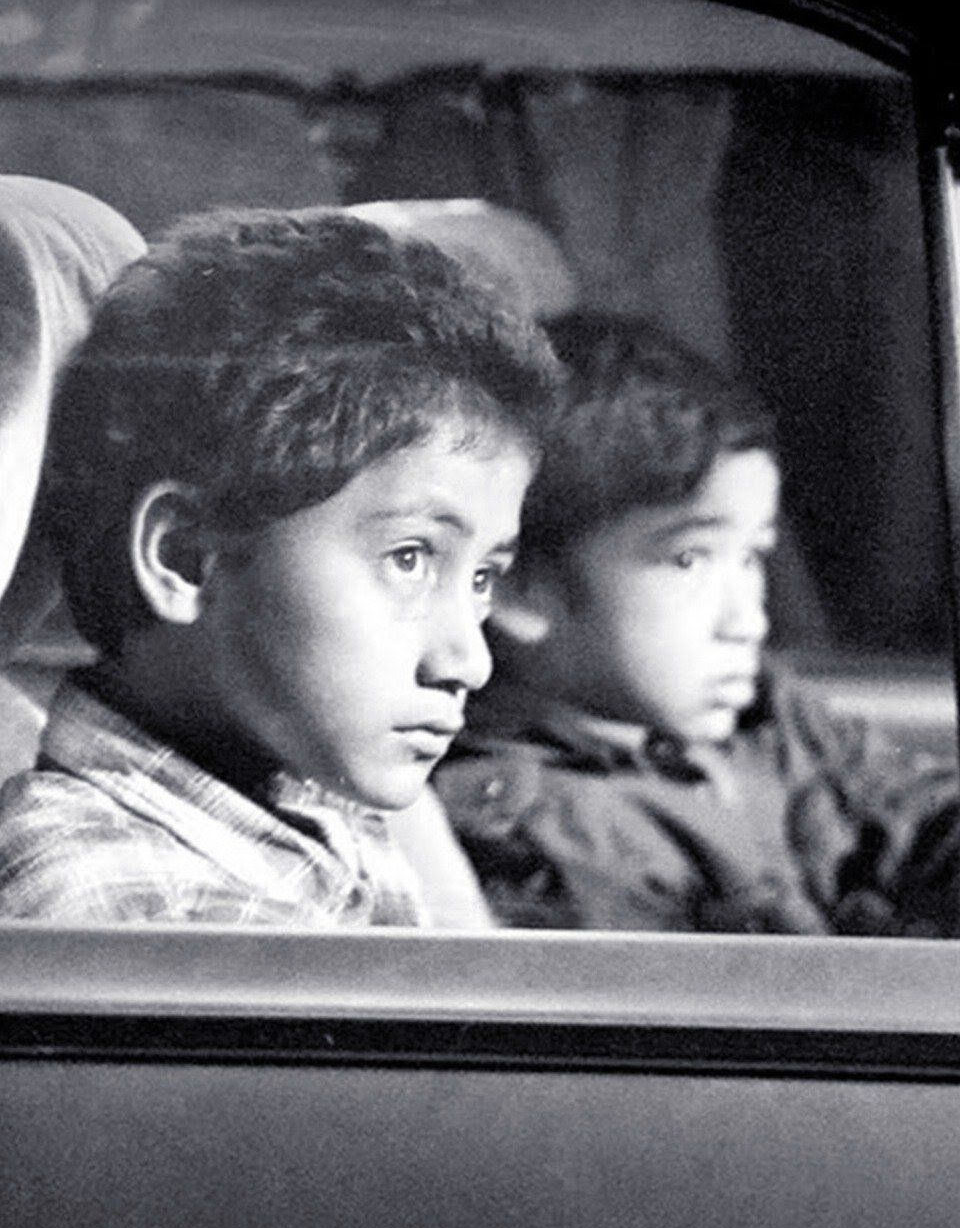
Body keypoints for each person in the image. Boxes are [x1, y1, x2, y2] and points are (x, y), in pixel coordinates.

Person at [0, 210, 559, 925]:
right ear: (185, 558)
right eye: (410, 558)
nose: (469, 663)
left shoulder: (310, 800)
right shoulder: (135, 908)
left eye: (482, 579)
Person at [434, 312, 955, 934]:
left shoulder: (772, 720)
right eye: (689, 559)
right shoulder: (548, 830)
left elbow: (916, 808)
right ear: (521, 590)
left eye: (753, 556)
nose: (748, 620)